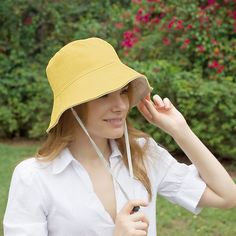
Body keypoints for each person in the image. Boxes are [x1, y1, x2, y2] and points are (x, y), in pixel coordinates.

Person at [3, 37, 236, 236]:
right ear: (72, 106)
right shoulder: (34, 177)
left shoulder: (143, 154)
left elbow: (227, 196)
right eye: (104, 94)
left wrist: (180, 130)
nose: (120, 105)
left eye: (123, 92)